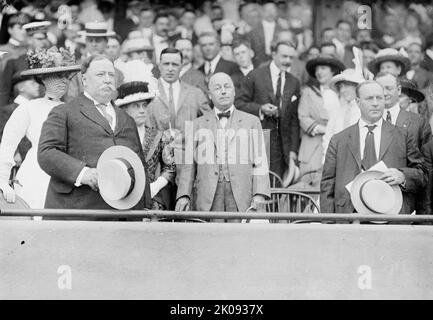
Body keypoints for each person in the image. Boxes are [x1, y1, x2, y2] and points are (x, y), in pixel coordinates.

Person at [38, 55, 152, 209]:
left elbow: (140, 166)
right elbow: (47, 152)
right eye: (100, 74)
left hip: (122, 214)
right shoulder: (64, 112)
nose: (107, 80)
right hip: (79, 211)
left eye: (111, 75)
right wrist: (82, 173)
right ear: (84, 80)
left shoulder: (126, 119)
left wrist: (145, 209)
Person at [321, 80, 426, 214]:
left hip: (391, 215)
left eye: (379, 98)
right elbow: (327, 186)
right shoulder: (338, 140)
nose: (376, 103)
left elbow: (422, 173)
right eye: (369, 98)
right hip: (349, 218)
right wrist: (329, 225)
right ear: (358, 102)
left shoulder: (403, 135)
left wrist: (403, 176)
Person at [175, 72, 270, 218]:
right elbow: (188, 166)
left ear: (234, 91)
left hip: (241, 194)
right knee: (211, 237)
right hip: (208, 196)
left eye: (227, 87)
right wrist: (183, 195)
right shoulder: (196, 125)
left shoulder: (252, 122)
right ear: (210, 95)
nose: (223, 91)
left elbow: (260, 162)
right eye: (217, 88)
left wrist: (259, 194)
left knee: (239, 238)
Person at [0, 47, 81, 208]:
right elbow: (8, 145)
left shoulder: (73, 110)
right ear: (43, 79)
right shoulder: (30, 108)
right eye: (57, 76)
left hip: (65, 178)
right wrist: (3, 181)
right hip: (34, 175)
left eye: (66, 76)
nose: (63, 81)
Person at [236, 41, 301, 179]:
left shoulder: (293, 82)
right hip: (256, 143)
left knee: (276, 189)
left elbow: (294, 119)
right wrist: (260, 108)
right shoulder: (255, 75)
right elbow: (239, 103)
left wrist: (293, 150)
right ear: (273, 54)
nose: (287, 61)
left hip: (281, 148)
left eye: (291, 57)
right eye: (284, 56)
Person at [115, 81, 176, 210]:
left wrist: (157, 185)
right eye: (136, 106)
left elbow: (170, 167)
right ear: (124, 109)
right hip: (124, 200)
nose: (142, 110)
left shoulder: (158, 136)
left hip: (153, 202)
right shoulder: (116, 137)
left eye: (144, 106)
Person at [297, 55, 344, 186]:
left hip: (335, 145)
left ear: (333, 71)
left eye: (323, 68)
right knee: (310, 183)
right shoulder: (308, 92)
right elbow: (303, 117)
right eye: (317, 69)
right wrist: (327, 130)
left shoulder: (341, 93)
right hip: (313, 145)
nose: (319, 72)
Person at [149, 48, 210, 136]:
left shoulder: (195, 93)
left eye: (175, 64)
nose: (170, 69)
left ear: (181, 66)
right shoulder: (149, 92)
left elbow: (209, 123)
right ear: (159, 66)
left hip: (188, 147)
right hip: (157, 148)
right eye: (166, 64)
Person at [65, 21, 124, 102]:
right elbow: (70, 99)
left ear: (106, 42)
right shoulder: (75, 70)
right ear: (85, 41)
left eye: (98, 40)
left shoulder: (117, 73)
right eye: (90, 40)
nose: (94, 44)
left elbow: (119, 100)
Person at [0, 21, 50, 107]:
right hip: (23, 111)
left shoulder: (53, 61)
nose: (44, 42)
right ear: (29, 39)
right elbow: (4, 93)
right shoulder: (14, 63)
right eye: (39, 39)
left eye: (45, 38)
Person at [375, 72, 431, 148]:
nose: (397, 99)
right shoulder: (372, 117)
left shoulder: (419, 122)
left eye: (401, 96)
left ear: (410, 99)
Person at [322, 69, 364, 161]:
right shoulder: (337, 111)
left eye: (347, 86)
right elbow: (328, 137)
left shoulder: (364, 111)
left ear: (357, 87)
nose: (343, 90)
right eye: (341, 87)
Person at [246, 2, 284, 66]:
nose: (270, 13)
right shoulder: (253, 30)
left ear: (277, 12)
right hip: (257, 64)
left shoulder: (282, 30)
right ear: (262, 12)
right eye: (267, 10)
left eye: (272, 10)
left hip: (278, 63)